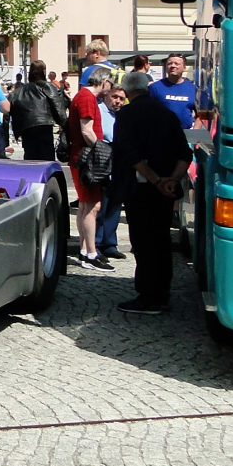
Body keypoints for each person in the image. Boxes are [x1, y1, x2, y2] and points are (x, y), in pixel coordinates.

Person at [110, 71, 193, 313]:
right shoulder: (166, 113)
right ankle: (162, 292)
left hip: (143, 187)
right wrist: (172, 180)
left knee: (143, 242)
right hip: (166, 188)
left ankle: (149, 296)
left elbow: (130, 154)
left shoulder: (127, 114)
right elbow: (184, 153)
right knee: (161, 239)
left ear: (126, 92)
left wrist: (156, 180)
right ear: (147, 88)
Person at [69, 65, 115, 270]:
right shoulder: (87, 98)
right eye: (110, 84)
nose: (111, 88)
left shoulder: (83, 96)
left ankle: (84, 250)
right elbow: (86, 130)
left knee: (86, 205)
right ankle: (90, 253)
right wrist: (100, 150)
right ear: (103, 81)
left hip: (81, 157)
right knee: (92, 206)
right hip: (86, 159)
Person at [9, 60, 68, 162]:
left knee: (30, 158)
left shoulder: (19, 91)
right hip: (44, 127)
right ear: (44, 72)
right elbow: (59, 109)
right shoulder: (49, 87)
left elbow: (10, 110)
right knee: (46, 159)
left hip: (27, 129)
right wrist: (67, 129)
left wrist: (14, 131)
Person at [96, 84, 128, 259]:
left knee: (115, 204)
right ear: (107, 96)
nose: (118, 101)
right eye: (115, 97)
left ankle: (109, 243)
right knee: (100, 205)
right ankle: (97, 242)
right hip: (102, 158)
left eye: (121, 99)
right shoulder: (99, 111)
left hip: (118, 160)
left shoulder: (122, 115)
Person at [149, 54, 198, 129]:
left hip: (186, 134)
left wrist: (195, 132)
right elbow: (147, 112)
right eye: (169, 63)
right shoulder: (155, 87)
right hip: (161, 133)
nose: (172, 66)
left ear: (184, 68)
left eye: (176, 64)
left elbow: (200, 116)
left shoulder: (193, 89)